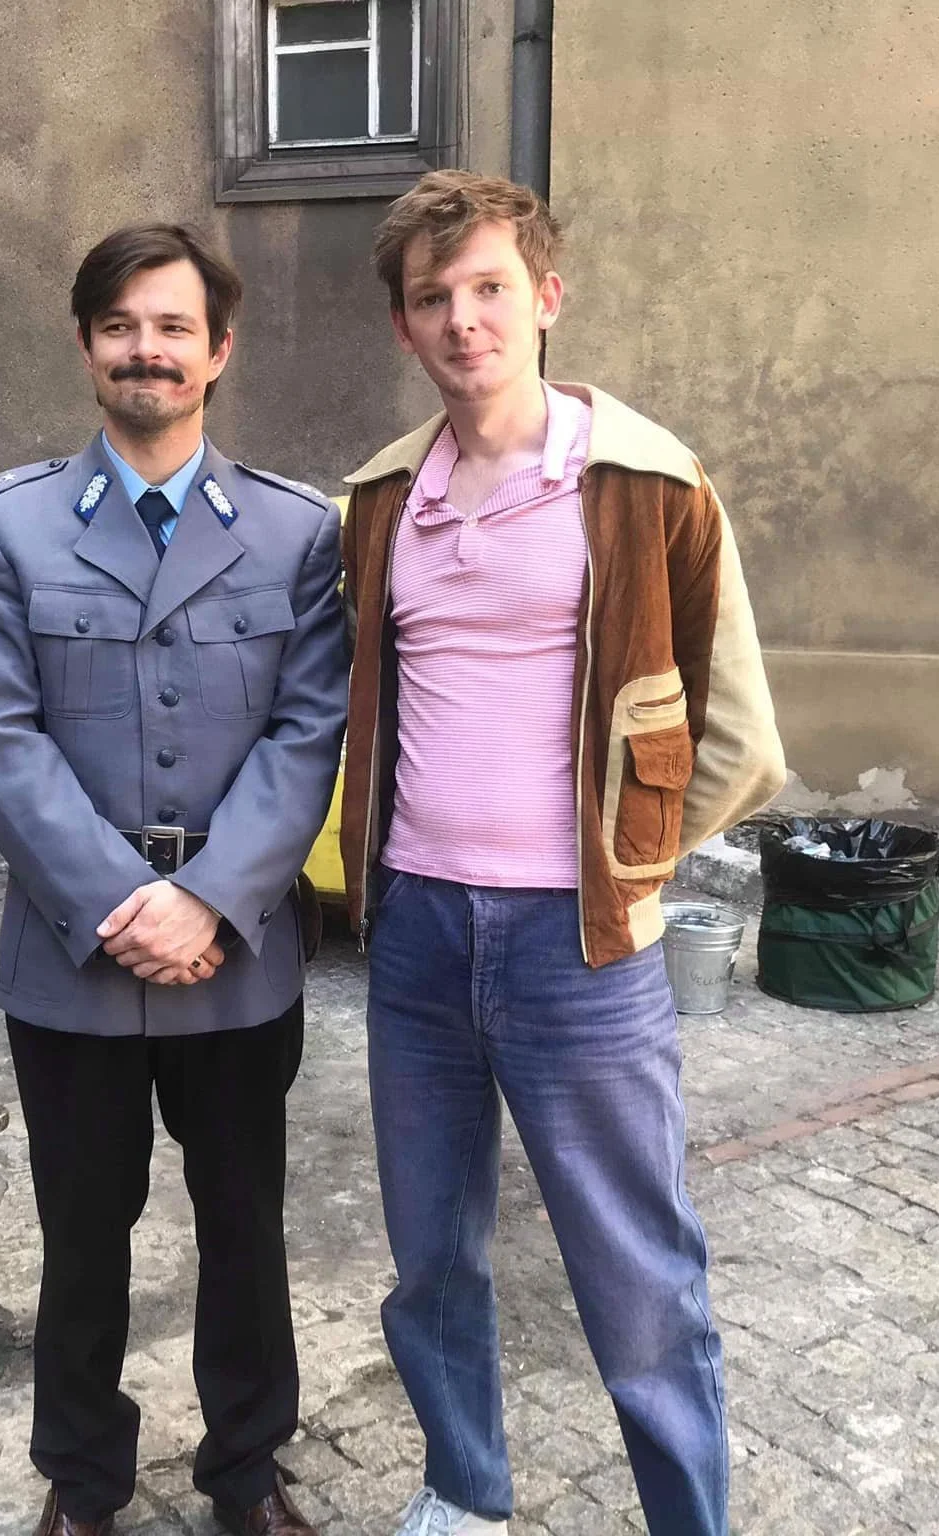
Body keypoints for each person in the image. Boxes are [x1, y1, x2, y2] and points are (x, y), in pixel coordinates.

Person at [335, 171, 787, 1536]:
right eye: (432, 298)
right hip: (418, 932)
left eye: (487, 288)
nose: (462, 320)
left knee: (637, 1280)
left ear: (544, 297)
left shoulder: (645, 483)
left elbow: (738, 737)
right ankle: (463, 1490)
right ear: (404, 326)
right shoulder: (379, 500)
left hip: (578, 946)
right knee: (430, 1259)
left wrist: (626, 868)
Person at [0, 223, 348, 1536]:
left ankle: (247, 1473)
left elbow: (307, 733)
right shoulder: (6, 527)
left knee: (244, 1230)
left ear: (218, 351)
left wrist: (210, 900)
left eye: (173, 327)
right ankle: (82, 1485)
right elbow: (0, 738)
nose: (147, 350)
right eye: (120, 325)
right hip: (74, 960)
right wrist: (125, 907)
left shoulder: (295, 534)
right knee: (81, 1240)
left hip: (235, 958)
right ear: (84, 345)